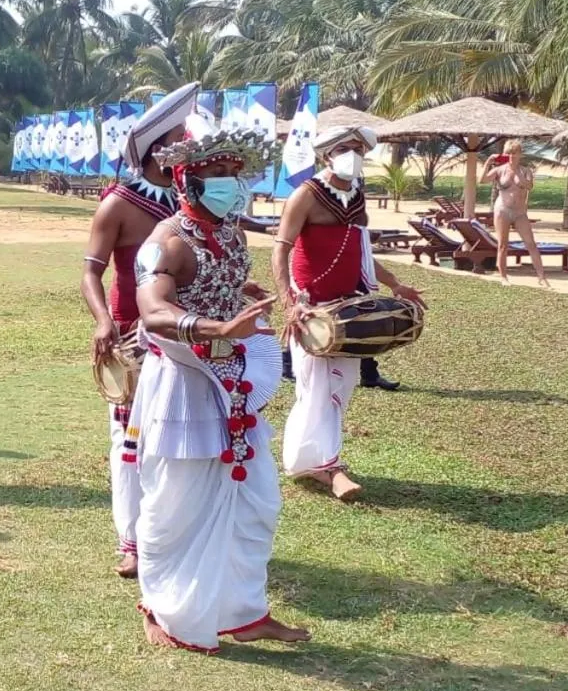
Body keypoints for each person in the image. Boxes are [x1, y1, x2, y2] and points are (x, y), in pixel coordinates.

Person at [132, 115, 309, 652]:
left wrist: (236, 292)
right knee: (177, 501)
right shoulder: (166, 242)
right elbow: (152, 311)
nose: (231, 181)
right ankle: (166, 611)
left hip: (232, 381)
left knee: (253, 501)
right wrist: (215, 328)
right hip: (185, 381)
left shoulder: (228, 231)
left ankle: (243, 610)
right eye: (218, 172)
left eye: (236, 171)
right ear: (185, 180)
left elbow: (214, 285)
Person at [272, 126, 426, 501]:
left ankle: (310, 460)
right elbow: (281, 249)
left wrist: (395, 284)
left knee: (340, 385)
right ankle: (330, 466)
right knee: (317, 386)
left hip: (350, 305)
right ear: (327, 154)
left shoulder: (358, 197)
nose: (353, 155)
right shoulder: (305, 195)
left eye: (358, 149)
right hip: (314, 307)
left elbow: (362, 253)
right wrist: (291, 304)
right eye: (345, 148)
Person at [81, 85, 193, 578]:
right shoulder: (118, 204)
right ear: (157, 149)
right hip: (133, 340)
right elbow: (91, 272)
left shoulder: (195, 201)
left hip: (186, 337)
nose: (189, 143)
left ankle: (168, 532)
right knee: (131, 441)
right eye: (180, 137)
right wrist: (104, 322)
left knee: (176, 438)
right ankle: (130, 540)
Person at [483, 140, 550, 288]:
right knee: (502, 245)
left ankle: (541, 276)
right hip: (502, 210)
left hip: (519, 212)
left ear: (520, 154)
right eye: (509, 153)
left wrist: (521, 178)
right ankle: (503, 277)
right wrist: (488, 163)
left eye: (515, 153)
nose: (512, 156)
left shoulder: (525, 171)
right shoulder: (500, 170)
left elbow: (529, 186)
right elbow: (482, 180)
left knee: (531, 244)